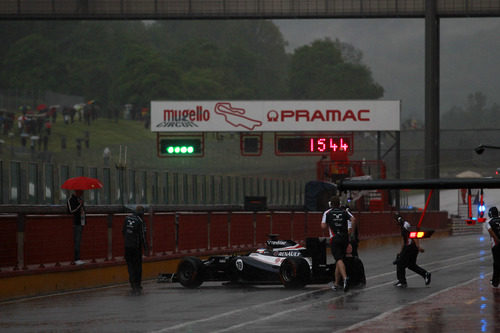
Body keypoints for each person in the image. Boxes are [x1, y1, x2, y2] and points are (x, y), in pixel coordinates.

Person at [321, 195, 352, 292]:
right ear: (339, 203)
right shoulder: (344, 212)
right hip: (345, 238)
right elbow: (353, 220)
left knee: (338, 259)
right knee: (340, 260)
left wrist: (330, 223)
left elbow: (323, 226)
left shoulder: (327, 213)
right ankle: (336, 284)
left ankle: (345, 278)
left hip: (334, 239)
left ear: (330, 204)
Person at [393, 213, 431, 288]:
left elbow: (414, 235)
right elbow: (404, 240)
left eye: (395, 221)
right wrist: (400, 251)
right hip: (408, 247)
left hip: (411, 247)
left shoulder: (406, 225)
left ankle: (402, 282)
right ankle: (425, 274)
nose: (395, 223)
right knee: (411, 265)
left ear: (398, 220)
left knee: (400, 263)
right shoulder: (402, 227)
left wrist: (418, 247)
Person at [123, 206, 149, 295]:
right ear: (141, 213)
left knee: (130, 266)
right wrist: (145, 248)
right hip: (136, 247)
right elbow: (142, 236)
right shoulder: (140, 221)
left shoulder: (127, 219)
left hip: (127, 246)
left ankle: (132, 284)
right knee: (137, 266)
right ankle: (137, 285)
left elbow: (123, 231)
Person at [67, 190, 86, 265]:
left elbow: (82, 210)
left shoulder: (80, 200)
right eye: (81, 191)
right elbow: (70, 211)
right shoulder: (71, 200)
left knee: (79, 241)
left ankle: (78, 257)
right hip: (75, 223)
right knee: (76, 241)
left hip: (81, 222)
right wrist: (79, 206)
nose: (82, 193)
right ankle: (76, 258)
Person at [486, 206, 500, 288]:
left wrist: (496, 239)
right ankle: (496, 281)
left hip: (496, 244)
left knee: (496, 263)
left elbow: (490, 231)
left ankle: (495, 282)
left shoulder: (489, 221)